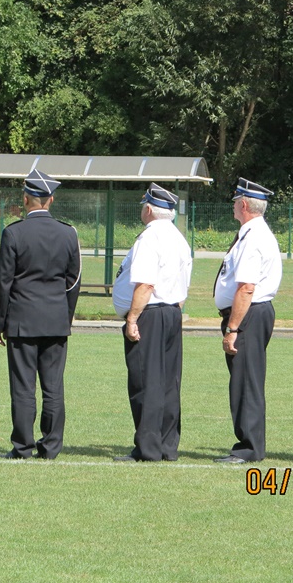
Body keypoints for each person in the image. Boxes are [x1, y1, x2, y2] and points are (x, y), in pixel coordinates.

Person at [0, 170, 82, 459]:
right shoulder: (68, 233)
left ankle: (23, 447)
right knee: (53, 386)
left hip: (21, 321)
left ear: (25, 199)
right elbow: (74, 282)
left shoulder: (14, 232)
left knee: (23, 387)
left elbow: (4, 281)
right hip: (56, 321)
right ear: (51, 200)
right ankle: (51, 447)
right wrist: (65, 316)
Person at [111, 183, 192, 462]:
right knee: (169, 382)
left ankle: (148, 448)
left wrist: (133, 318)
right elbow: (183, 284)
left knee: (145, 381)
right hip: (171, 311)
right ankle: (167, 445)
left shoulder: (150, 238)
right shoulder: (179, 238)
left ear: (148, 209)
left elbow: (145, 283)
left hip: (150, 313)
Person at [212, 178, 283, 464]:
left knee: (246, 382)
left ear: (243, 204)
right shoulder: (252, 234)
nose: (233, 206)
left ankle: (249, 447)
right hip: (250, 313)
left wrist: (233, 328)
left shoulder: (253, 237)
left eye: (235, 201)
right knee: (244, 380)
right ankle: (249, 444)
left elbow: (246, 287)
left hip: (248, 315)